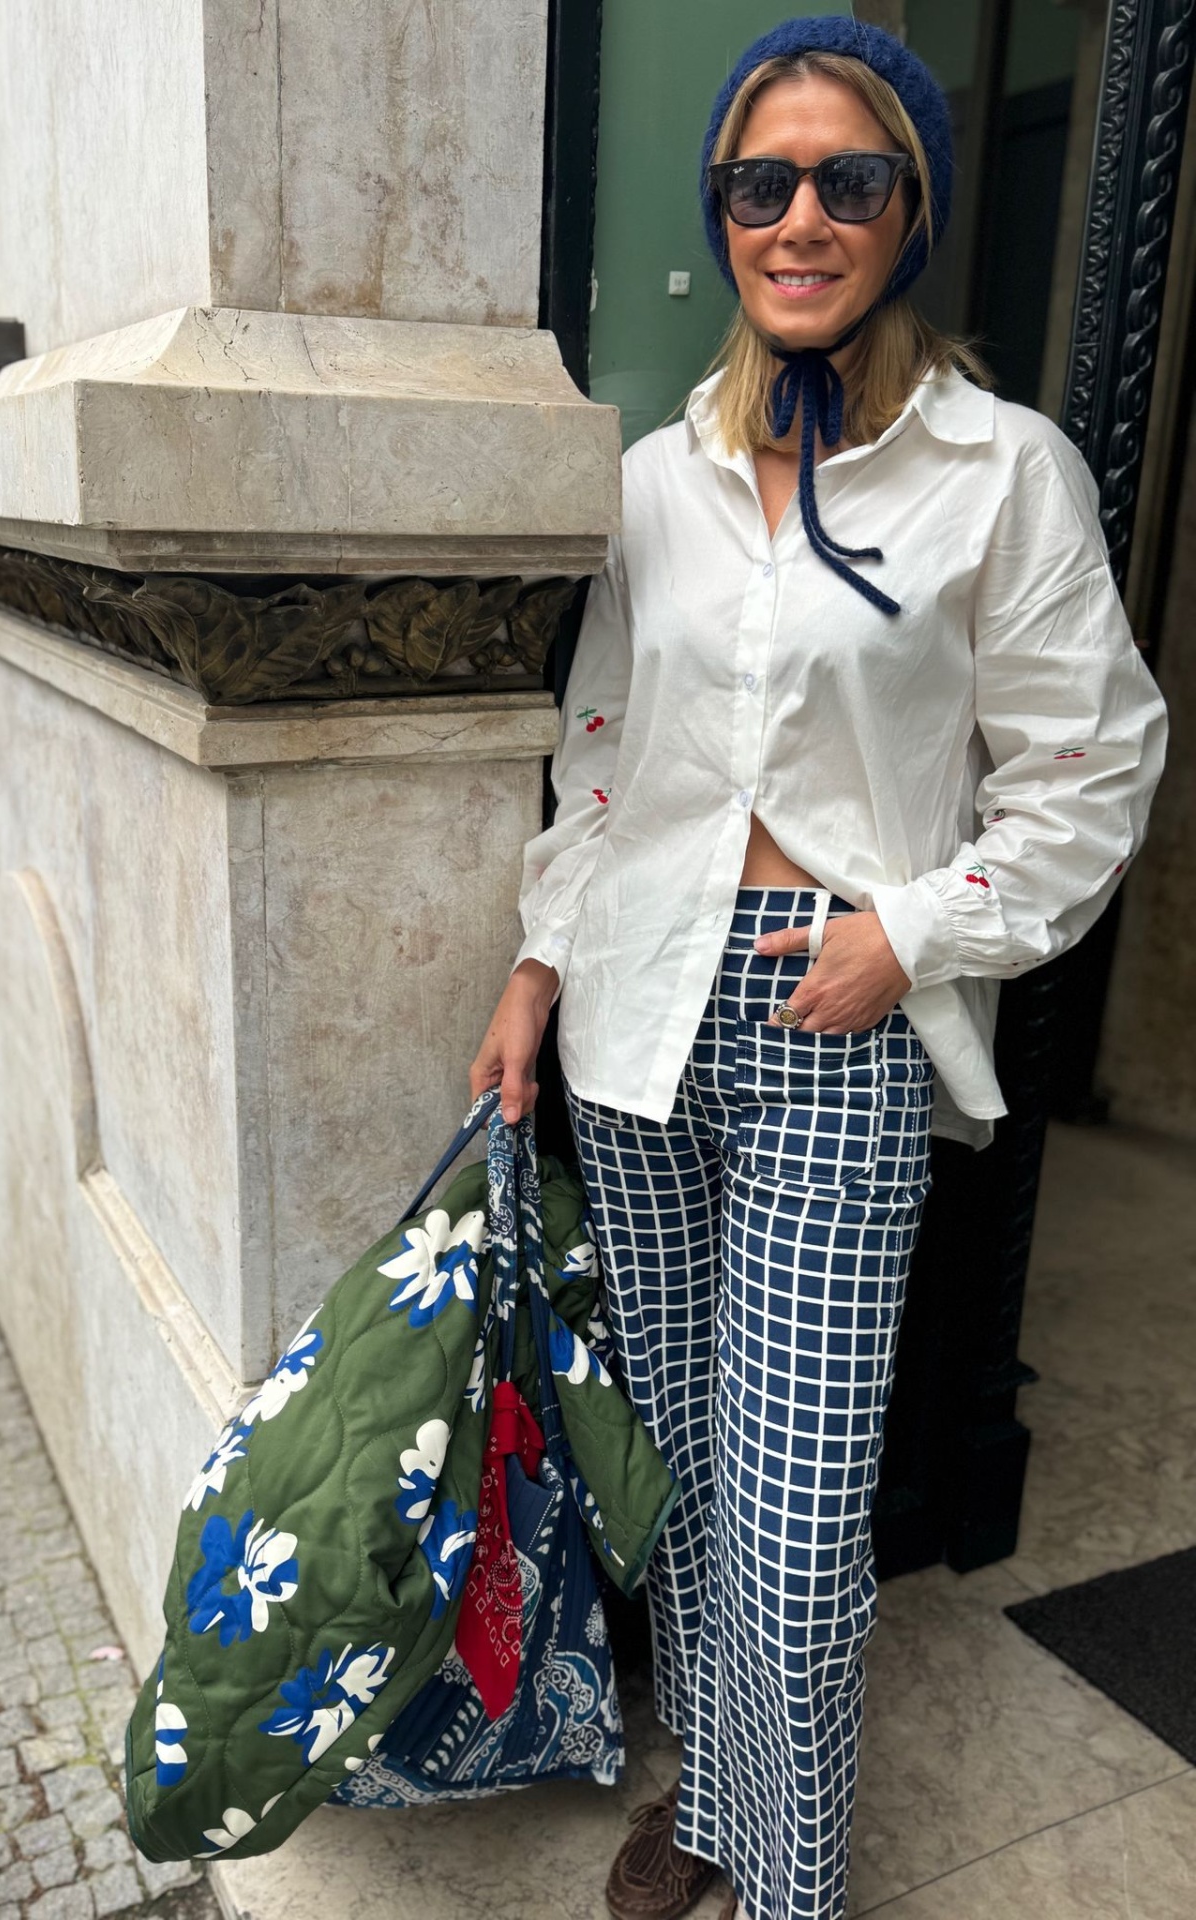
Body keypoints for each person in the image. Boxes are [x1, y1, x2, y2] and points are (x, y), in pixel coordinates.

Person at [468, 16, 1167, 1920]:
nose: (797, 219)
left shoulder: (1000, 473)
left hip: (829, 1011)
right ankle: (708, 1801)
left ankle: (789, 1882)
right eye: (758, 184)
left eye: (844, 181)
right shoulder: (655, 479)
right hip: (633, 1005)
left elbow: (1095, 764)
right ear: (726, 209)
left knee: (792, 1507)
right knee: (687, 1461)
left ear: (909, 207)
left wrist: (909, 935)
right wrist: (538, 965)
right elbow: (598, 751)